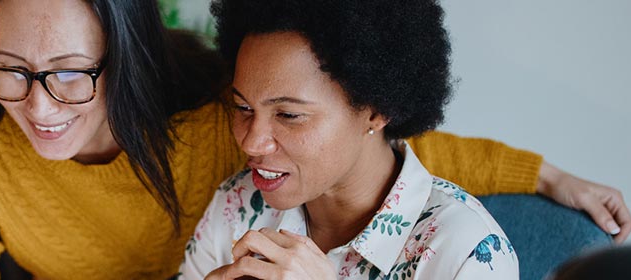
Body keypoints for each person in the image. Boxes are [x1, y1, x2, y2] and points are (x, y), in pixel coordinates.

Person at [0, 0, 630, 278]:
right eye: (11, 69)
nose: (38, 103)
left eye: (70, 74)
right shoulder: (241, 204)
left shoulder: (465, 251)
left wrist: (546, 176)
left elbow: (387, 159)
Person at [182, 0, 520, 278]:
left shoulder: (465, 254)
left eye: (288, 115)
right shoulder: (237, 205)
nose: (251, 143)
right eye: (242, 107)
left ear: (375, 110)